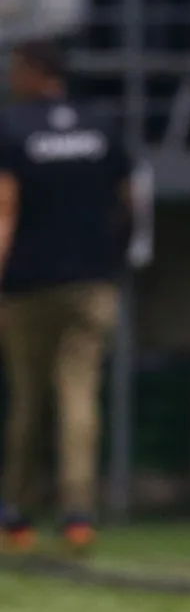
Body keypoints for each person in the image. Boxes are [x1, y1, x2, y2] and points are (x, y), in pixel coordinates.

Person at [0, 40, 133, 552]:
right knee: (79, 394)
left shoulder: (12, 127)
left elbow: (5, 211)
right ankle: (78, 514)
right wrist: (116, 257)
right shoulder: (101, 123)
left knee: (28, 399)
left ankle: (17, 512)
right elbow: (129, 199)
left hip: (27, 286)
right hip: (93, 280)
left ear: (33, 70)